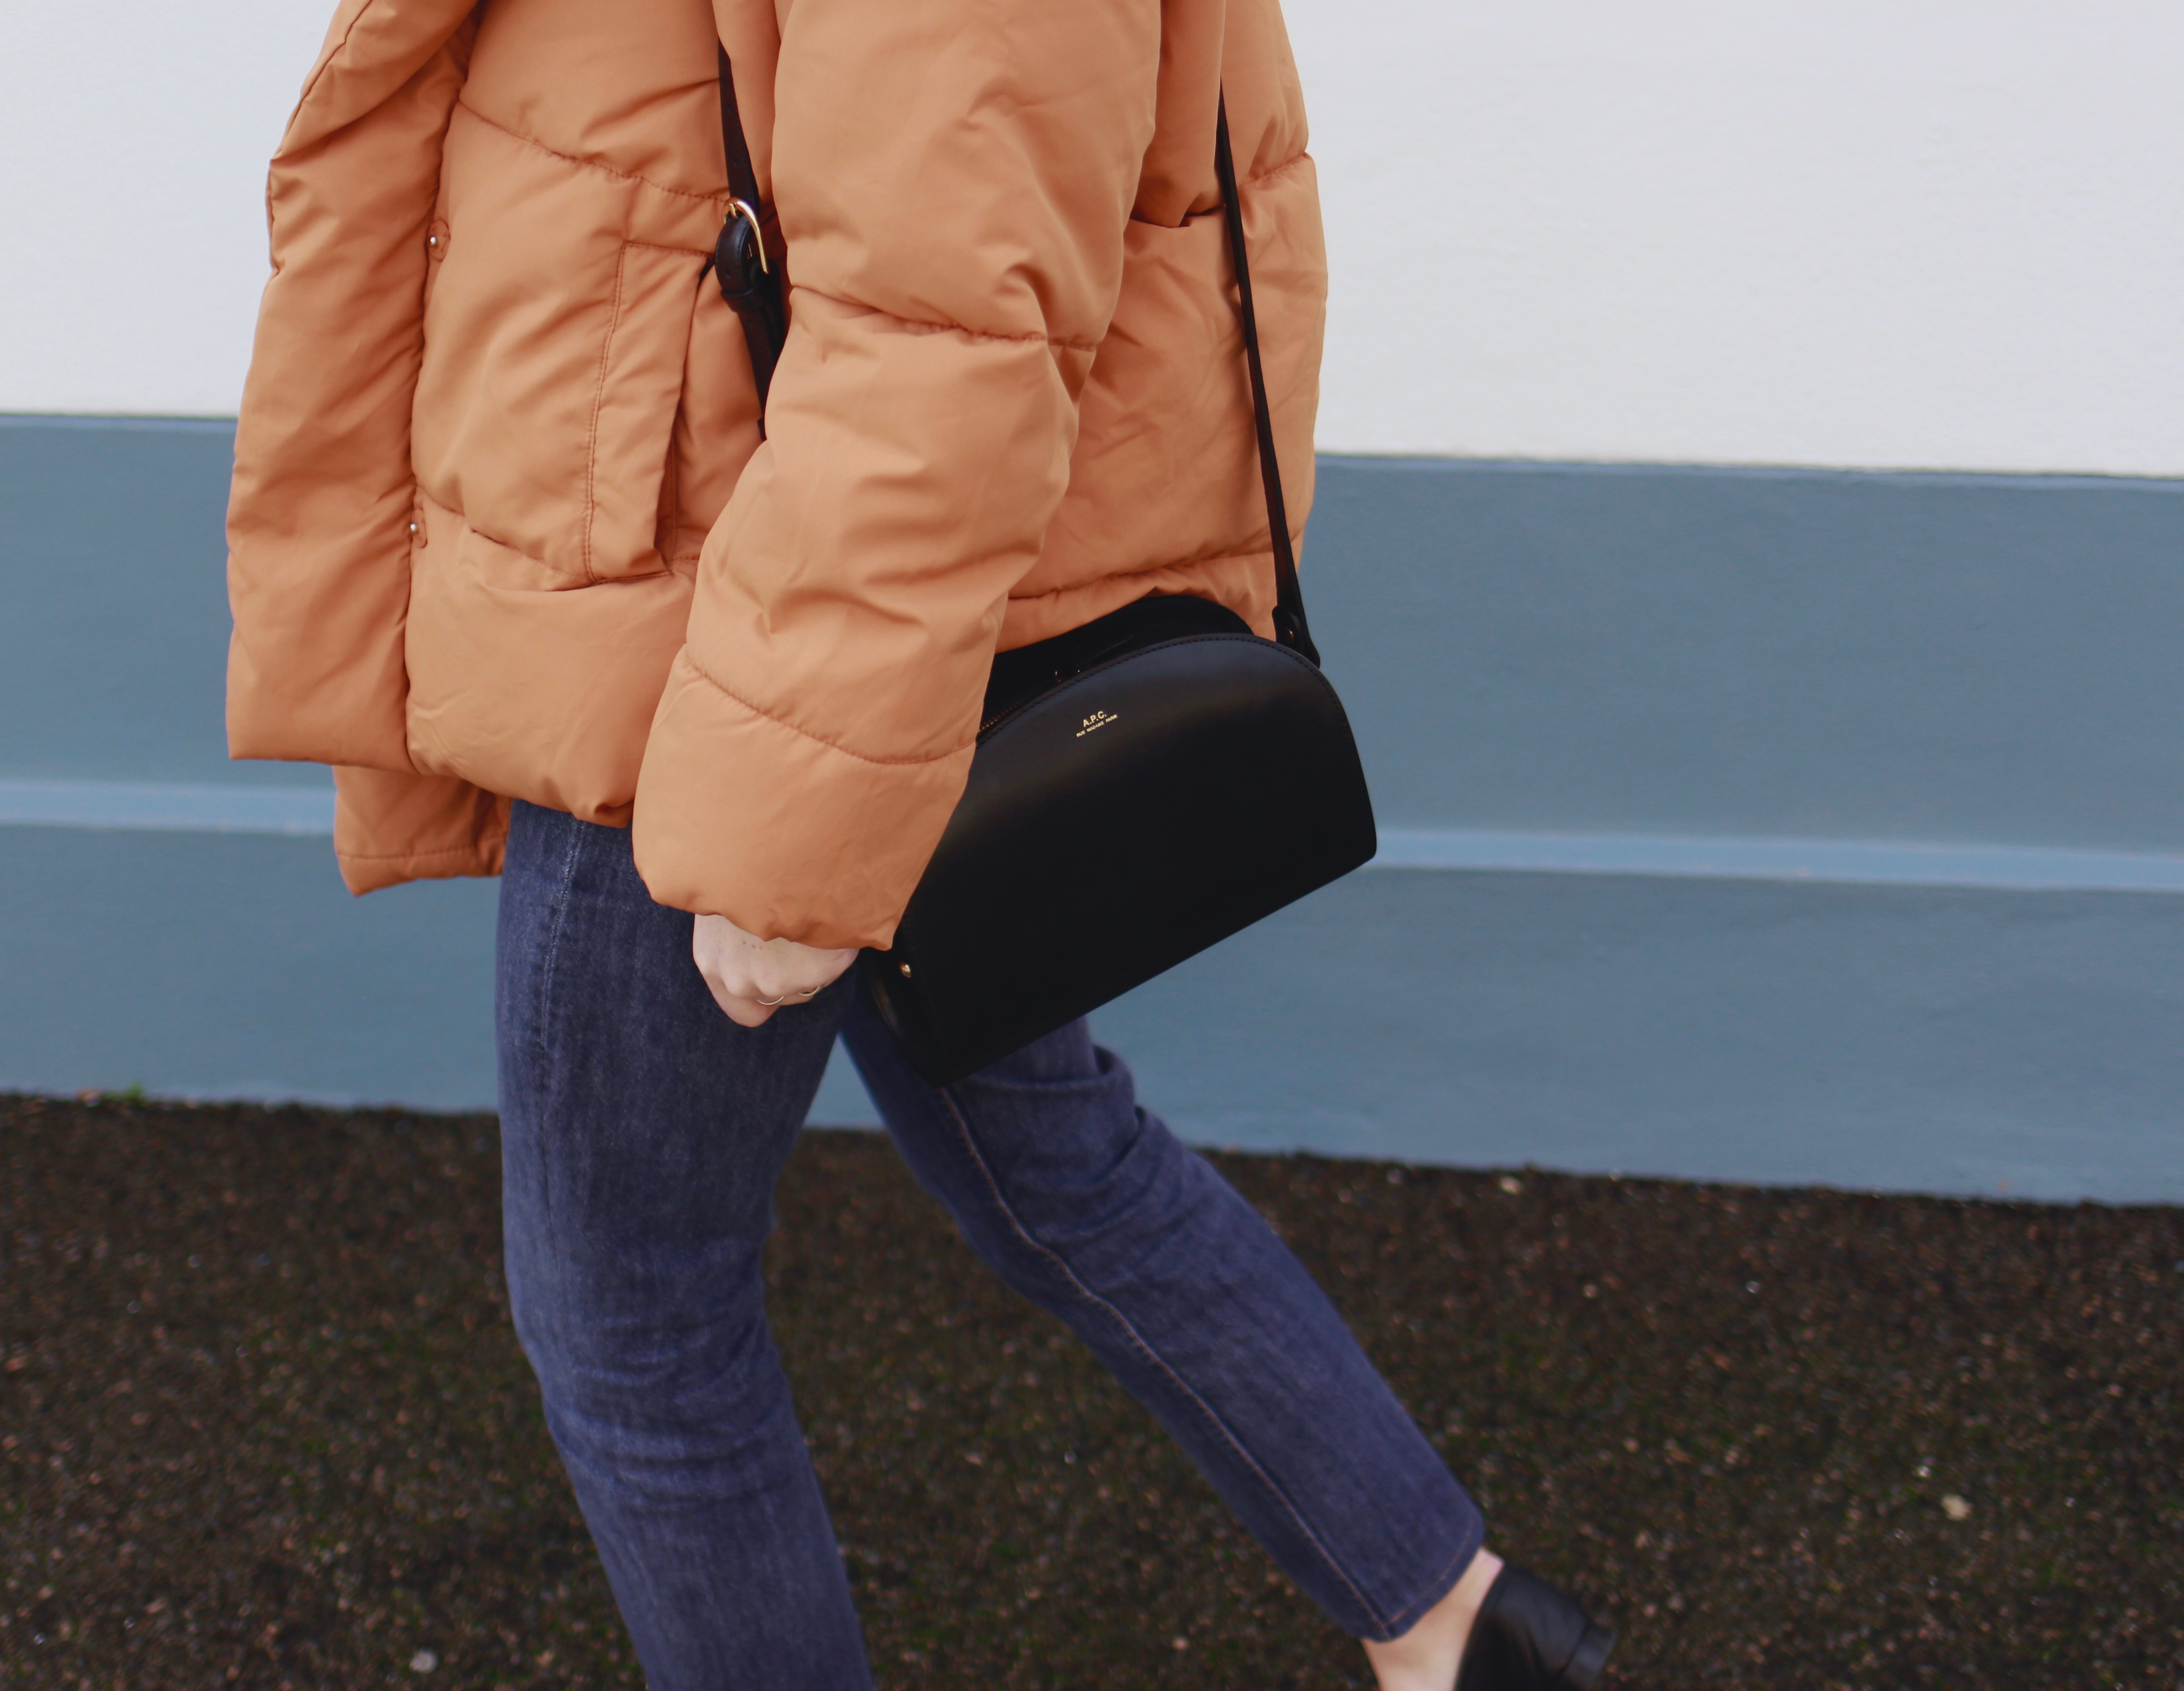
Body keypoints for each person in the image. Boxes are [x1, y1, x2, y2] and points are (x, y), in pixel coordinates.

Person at [225, 0, 1615, 1685]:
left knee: (636, 1317)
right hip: (743, 584)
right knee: (1052, 1159)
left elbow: (944, 324)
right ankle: (1460, 1632)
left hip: (723, 652)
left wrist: (789, 812)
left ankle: (1455, 1627)